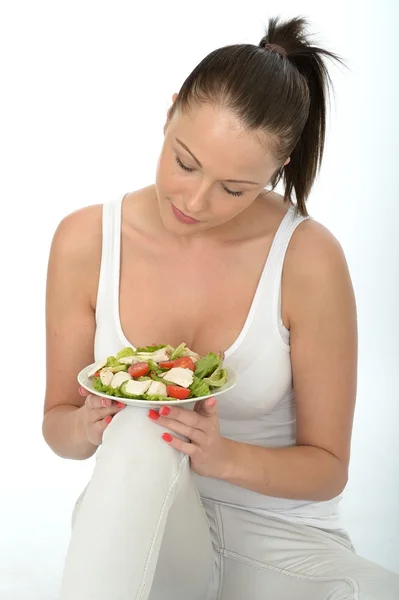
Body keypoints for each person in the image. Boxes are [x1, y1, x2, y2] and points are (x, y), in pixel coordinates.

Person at [42, 15, 399, 600]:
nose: (195, 201)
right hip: (145, 534)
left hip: (283, 543)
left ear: (275, 172)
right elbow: (57, 424)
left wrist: (221, 455)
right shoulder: (85, 240)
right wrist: (86, 425)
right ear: (171, 111)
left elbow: (328, 467)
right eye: (185, 163)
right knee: (140, 431)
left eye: (235, 189)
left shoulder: (309, 259)